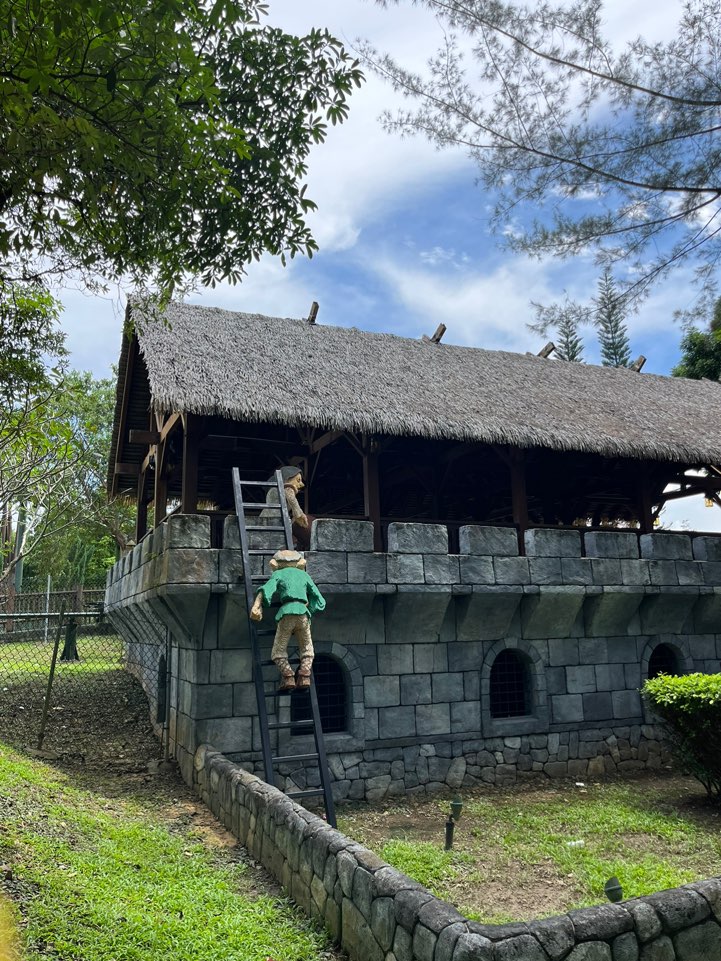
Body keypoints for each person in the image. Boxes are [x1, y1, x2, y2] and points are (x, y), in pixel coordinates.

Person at [250, 548, 325, 691]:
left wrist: (256, 606)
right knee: (307, 649)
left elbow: (266, 589)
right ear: (300, 563)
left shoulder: (278, 574)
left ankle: (288, 676)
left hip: (287, 614)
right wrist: (309, 611)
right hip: (303, 615)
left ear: (275, 564)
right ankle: (304, 676)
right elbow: (320, 600)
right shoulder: (304, 576)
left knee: (278, 651)